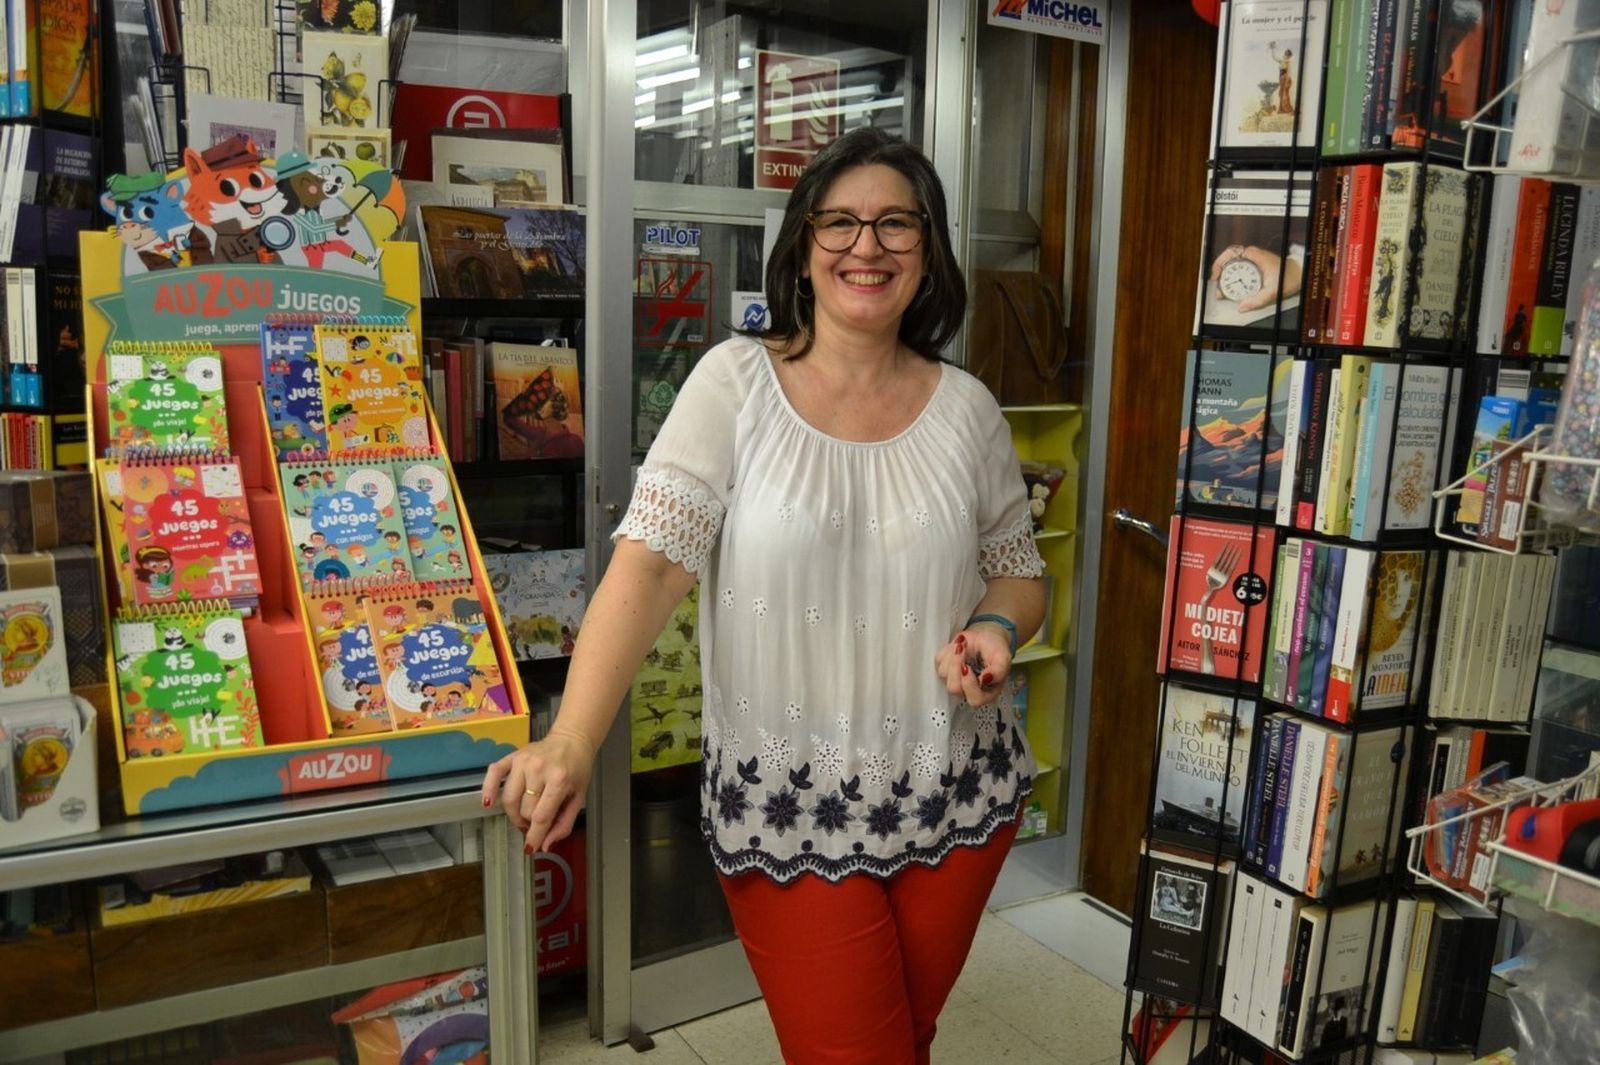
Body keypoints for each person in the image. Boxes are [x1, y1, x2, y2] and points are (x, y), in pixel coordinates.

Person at [481, 127, 1045, 1065]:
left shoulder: (968, 410)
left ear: (929, 249)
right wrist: (572, 739)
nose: (867, 246)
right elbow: (652, 566)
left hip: (960, 793)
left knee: (903, 1041)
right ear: (803, 245)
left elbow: (1018, 571)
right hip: (792, 809)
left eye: (896, 224)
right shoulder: (735, 384)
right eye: (841, 222)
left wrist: (994, 625)